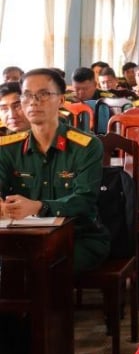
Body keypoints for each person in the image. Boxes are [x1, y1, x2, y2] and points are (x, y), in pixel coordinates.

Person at [0, 69, 109, 273]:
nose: (34, 102)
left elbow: (84, 200)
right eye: (27, 95)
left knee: (43, 265)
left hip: (79, 237)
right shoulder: (7, 148)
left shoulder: (86, 146)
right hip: (23, 237)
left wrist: (38, 207)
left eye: (43, 94)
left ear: (60, 100)